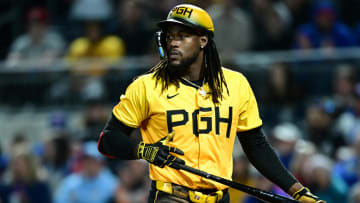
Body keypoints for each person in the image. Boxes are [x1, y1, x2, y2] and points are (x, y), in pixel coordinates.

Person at [97, 4, 326, 203]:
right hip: (171, 196)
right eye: (169, 36)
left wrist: (297, 191)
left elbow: (256, 146)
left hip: (220, 197)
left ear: (203, 40)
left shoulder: (236, 84)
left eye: (182, 36)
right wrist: (142, 150)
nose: (173, 43)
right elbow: (107, 140)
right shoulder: (146, 86)